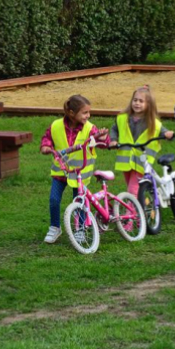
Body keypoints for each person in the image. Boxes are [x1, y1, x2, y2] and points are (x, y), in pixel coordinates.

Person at [39, 95, 109, 244]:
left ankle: (80, 229)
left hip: (80, 174)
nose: (88, 116)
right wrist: (46, 146)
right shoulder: (56, 126)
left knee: (80, 201)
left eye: (89, 112)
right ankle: (54, 227)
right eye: (84, 113)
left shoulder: (90, 128)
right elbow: (47, 138)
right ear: (71, 113)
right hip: (61, 172)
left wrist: (102, 139)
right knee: (53, 200)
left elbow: (102, 143)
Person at [109, 86, 174, 196]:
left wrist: (167, 134)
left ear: (149, 104)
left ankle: (133, 212)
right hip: (126, 160)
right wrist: (113, 140)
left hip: (141, 161)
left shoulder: (152, 122)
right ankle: (141, 205)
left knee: (132, 190)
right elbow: (115, 129)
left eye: (141, 101)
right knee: (131, 186)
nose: (137, 103)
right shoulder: (123, 118)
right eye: (135, 100)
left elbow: (162, 131)